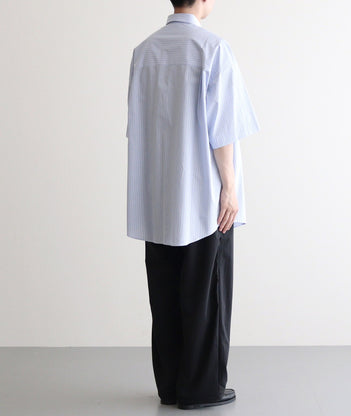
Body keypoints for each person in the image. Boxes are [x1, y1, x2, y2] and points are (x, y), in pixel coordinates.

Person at [125, 0, 260, 410]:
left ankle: (170, 385)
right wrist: (229, 187)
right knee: (207, 292)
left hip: (158, 196)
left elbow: (137, 125)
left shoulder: (144, 51)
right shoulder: (212, 48)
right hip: (203, 197)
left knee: (164, 293)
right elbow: (224, 127)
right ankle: (201, 389)